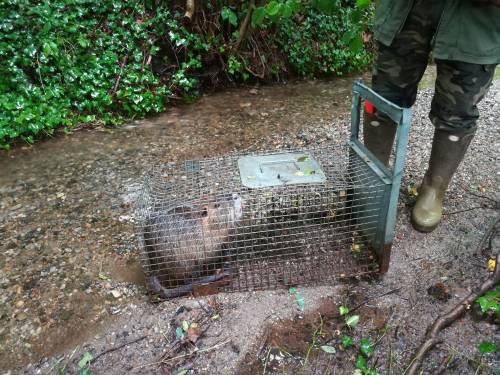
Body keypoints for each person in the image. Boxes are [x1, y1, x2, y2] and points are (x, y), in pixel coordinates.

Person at [364, 0, 499, 232]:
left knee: (457, 111)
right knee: (384, 99)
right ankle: (372, 179)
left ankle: (433, 189)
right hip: (407, 10)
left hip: (476, 25)